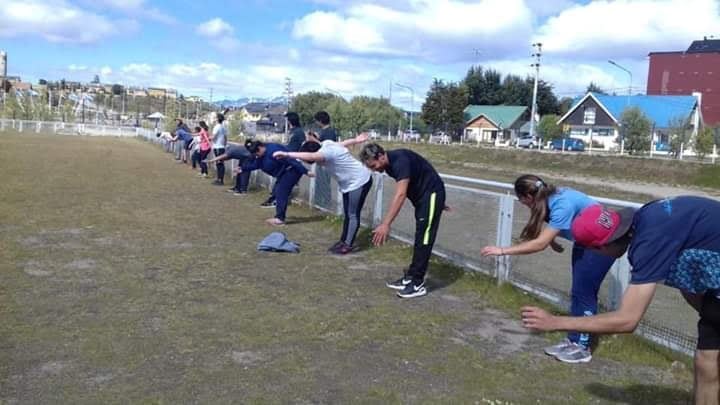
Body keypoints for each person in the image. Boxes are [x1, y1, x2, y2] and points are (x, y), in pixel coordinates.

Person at [521, 196, 720, 404]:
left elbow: (627, 320)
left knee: (709, 360)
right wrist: (706, 312)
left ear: (600, 248)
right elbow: (687, 280)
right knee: (707, 361)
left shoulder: (648, 244)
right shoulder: (646, 215)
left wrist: (555, 322)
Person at [480, 175, 615, 364]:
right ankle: (573, 339)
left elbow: (538, 244)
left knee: (585, 294)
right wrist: (553, 240)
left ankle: (583, 347)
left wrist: (502, 251)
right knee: (577, 292)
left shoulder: (561, 204)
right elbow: (550, 224)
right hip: (585, 241)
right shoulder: (548, 197)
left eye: (521, 200)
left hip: (602, 245)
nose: (522, 204)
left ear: (528, 196)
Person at [359, 143, 446, 298]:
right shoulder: (389, 164)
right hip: (424, 199)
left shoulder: (400, 161)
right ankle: (410, 277)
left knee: (424, 239)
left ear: (381, 155)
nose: (374, 170)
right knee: (419, 237)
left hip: (431, 195)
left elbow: (400, 195)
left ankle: (418, 283)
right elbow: (421, 173)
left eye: (373, 165)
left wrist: (386, 224)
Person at [273, 133, 373, 254]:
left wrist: (287, 154)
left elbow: (312, 155)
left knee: (352, 214)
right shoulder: (327, 144)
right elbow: (342, 143)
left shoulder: (326, 153)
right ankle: (343, 241)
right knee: (348, 213)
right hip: (349, 183)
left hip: (359, 181)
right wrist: (356, 140)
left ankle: (348, 245)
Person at [241, 140, 312, 226]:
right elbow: (256, 165)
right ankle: (279, 216)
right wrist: (243, 168)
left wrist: (306, 171)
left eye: (256, 153)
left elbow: (291, 160)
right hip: (283, 174)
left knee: (281, 191)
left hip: (291, 170)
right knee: (278, 191)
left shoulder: (273, 149)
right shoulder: (261, 157)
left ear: (260, 148)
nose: (256, 156)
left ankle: (280, 219)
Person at [260, 111, 305, 209]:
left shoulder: (299, 132)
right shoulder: (291, 131)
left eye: (287, 120)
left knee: (283, 179)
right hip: (285, 158)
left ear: (290, 121)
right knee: (280, 178)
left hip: (292, 158)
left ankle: (275, 199)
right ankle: (274, 198)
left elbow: (302, 145)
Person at [211, 109, 229, 186]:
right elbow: (225, 138)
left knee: (219, 163)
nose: (214, 119)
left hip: (217, 147)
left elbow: (214, 137)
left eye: (215, 118)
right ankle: (219, 179)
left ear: (218, 119)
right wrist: (224, 145)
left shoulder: (217, 127)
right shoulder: (223, 127)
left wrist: (210, 138)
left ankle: (220, 180)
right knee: (220, 163)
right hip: (221, 147)